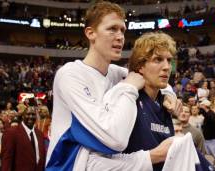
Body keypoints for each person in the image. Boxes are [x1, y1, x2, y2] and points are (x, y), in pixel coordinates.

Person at [46, 2, 180, 171]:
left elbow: (153, 76)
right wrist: (129, 88)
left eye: (122, 30)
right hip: (68, 165)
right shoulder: (71, 75)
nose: (120, 37)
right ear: (90, 33)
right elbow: (114, 139)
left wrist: (169, 94)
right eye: (112, 29)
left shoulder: (117, 73)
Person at [122, 32, 211, 171]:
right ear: (140, 66)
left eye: (169, 60)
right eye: (158, 60)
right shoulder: (127, 101)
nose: (167, 67)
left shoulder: (165, 103)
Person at [1, 106, 46, 171]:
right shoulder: (11, 133)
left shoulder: (40, 134)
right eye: (28, 114)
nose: (30, 116)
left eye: (33, 114)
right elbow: (7, 159)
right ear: (23, 116)